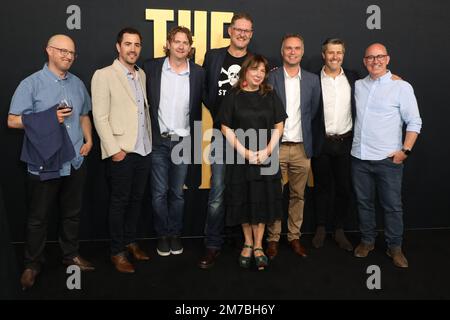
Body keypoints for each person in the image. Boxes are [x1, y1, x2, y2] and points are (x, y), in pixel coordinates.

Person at [8, 34, 94, 290]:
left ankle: (71, 254)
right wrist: (48, 118)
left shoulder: (78, 84)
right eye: (62, 51)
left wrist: (89, 140)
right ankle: (32, 264)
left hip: (75, 161)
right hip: (45, 161)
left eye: (72, 53)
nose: (68, 56)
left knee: (72, 214)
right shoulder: (31, 84)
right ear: (49, 51)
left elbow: (84, 115)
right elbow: (12, 120)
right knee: (38, 217)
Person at [351, 43, 422, 268]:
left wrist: (405, 151)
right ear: (364, 61)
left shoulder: (401, 87)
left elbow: (414, 121)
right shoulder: (358, 85)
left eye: (380, 57)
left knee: (392, 206)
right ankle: (368, 241)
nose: (375, 61)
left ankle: (395, 247)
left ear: (388, 59)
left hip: (388, 160)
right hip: (359, 157)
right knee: (364, 203)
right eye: (370, 58)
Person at [91, 28, 152, 273]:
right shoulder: (104, 75)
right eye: (128, 44)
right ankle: (117, 252)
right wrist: (114, 150)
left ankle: (130, 241)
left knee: (136, 201)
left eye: (137, 44)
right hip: (121, 151)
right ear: (118, 47)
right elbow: (100, 116)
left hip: (144, 149)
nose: (133, 49)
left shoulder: (142, 75)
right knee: (119, 202)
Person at [219, 54, 287, 271]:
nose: (259, 74)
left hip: (266, 157)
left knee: (262, 200)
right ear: (245, 71)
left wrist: (268, 150)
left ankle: (259, 245)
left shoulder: (270, 95)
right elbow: (225, 127)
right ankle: (247, 242)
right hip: (241, 157)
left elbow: (279, 125)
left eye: (263, 71)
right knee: (243, 199)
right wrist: (245, 152)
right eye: (254, 69)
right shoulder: (233, 95)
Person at [198, 12, 254, 269]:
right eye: (238, 29)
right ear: (230, 31)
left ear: (250, 35)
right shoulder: (213, 56)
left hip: (250, 137)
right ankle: (213, 244)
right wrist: (223, 117)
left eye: (247, 30)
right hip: (221, 135)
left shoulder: (255, 61)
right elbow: (207, 92)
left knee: (245, 190)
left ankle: (248, 243)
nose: (242, 34)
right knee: (218, 191)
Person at [143, 26, 204, 256]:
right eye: (176, 41)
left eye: (185, 43)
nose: (180, 46)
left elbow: (208, 100)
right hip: (158, 140)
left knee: (177, 193)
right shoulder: (151, 68)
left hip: (183, 141)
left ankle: (175, 233)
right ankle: (162, 235)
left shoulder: (198, 73)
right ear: (168, 43)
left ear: (190, 47)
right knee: (158, 193)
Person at [265, 34, 322, 259]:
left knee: (298, 195)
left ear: (302, 52)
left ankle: (294, 237)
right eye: (288, 48)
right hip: (275, 146)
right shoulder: (271, 78)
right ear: (282, 52)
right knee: (273, 194)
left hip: (301, 148)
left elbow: (314, 112)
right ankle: (272, 239)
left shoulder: (311, 80)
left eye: (297, 48)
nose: (292, 52)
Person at [311, 38, 359, 251]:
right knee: (322, 187)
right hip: (322, 142)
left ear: (343, 54)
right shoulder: (313, 79)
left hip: (346, 142)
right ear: (324, 55)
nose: (335, 57)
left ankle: (339, 229)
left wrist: (392, 77)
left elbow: (375, 84)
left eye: (339, 52)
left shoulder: (353, 78)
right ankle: (321, 227)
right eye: (331, 52)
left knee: (344, 188)